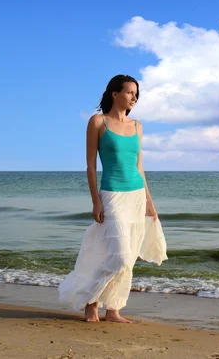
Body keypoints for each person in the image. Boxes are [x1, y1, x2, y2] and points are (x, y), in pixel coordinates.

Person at [58, 74, 167, 323]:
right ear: (115, 94)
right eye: (129, 92)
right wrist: (96, 201)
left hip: (136, 196)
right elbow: (90, 166)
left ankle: (114, 309)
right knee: (117, 255)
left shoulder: (137, 126)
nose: (134, 97)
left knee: (128, 258)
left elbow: (140, 168)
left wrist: (150, 203)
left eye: (136, 93)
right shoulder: (98, 122)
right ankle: (90, 302)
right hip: (112, 195)